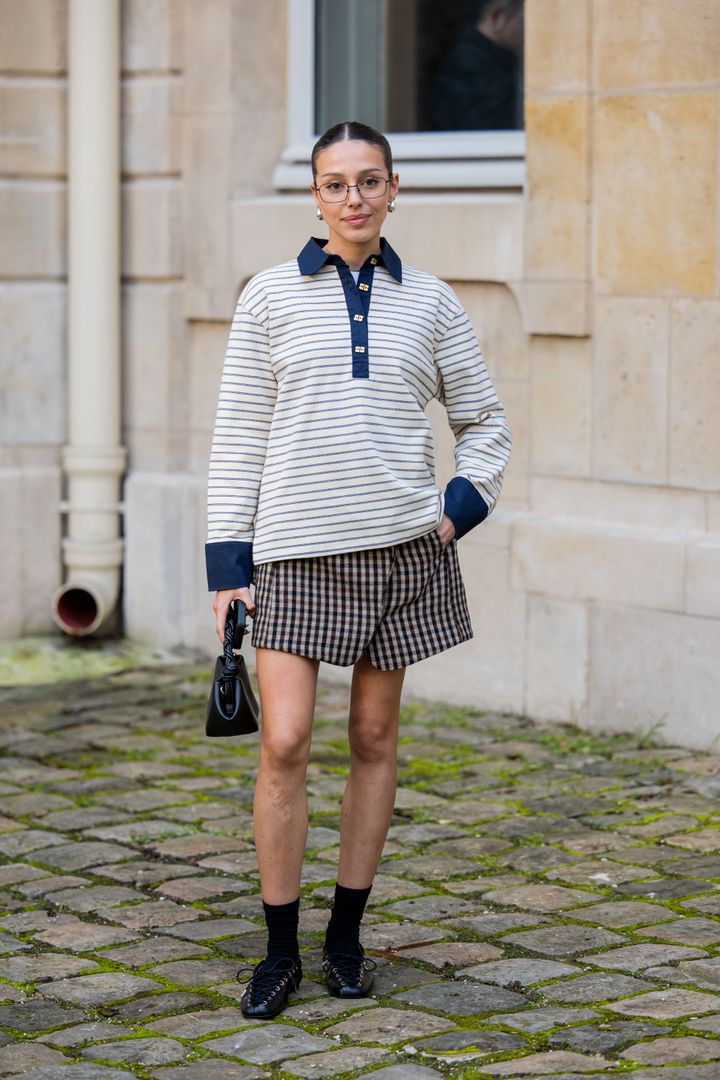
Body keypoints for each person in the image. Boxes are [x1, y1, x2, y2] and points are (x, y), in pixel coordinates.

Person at [205, 120, 511, 1019]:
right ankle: (279, 951)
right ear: (314, 195)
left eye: (369, 181)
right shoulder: (267, 296)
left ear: (394, 188)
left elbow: (485, 422)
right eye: (336, 183)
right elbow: (238, 436)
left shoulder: (432, 301)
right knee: (285, 742)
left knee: (374, 742)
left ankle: (344, 939)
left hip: (401, 554)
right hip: (293, 553)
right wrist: (228, 565)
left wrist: (456, 513)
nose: (353, 198)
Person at [428, 0, 524, 131]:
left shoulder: (487, 61)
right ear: (497, 17)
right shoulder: (469, 66)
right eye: (523, 21)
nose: (527, 32)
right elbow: (481, 130)